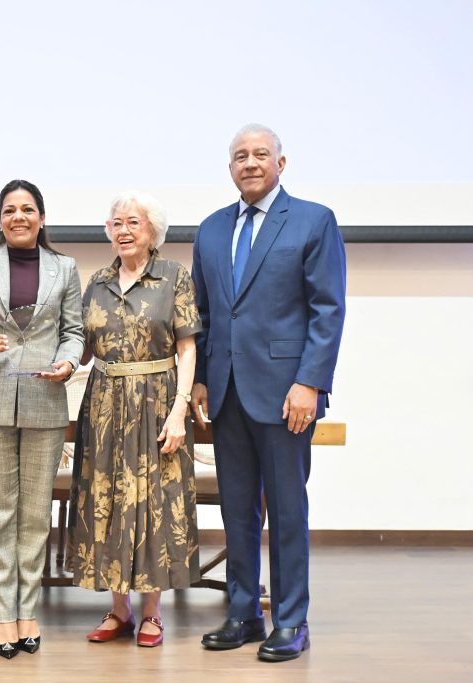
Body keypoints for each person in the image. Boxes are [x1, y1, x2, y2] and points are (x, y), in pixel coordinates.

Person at [191, 124, 346, 662]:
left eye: (261, 154)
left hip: (287, 396)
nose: (250, 163)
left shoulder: (312, 220)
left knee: (285, 510)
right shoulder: (211, 230)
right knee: (236, 512)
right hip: (227, 394)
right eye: (240, 156)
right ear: (229, 167)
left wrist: (309, 382)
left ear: (282, 162)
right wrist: (202, 380)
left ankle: (291, 620)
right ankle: (241, 613)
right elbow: (206, 315)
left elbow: (327, 310)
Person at [0, 179, 84, 659]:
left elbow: (74, 331)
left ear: (42, 218)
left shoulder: (64, 268)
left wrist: (69, 361)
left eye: (28, 209)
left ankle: (30, 612)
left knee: (33, 516)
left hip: (46, 403)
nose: (18, 217)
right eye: (10, 209)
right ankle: (3, 615)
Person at [70, 191, 201, 649]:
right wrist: (60, 359)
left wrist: (180, 409)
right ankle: (118, 609)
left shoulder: (174, 277)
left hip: (158, 400)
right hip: (105, 402)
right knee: (106, 500)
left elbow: (187, 347)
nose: (123, 230)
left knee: (155, 503)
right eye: (115, 223)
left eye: (133, 222)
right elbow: (82, 348)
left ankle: (152, 612)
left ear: (152, 232)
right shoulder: (97, 281)